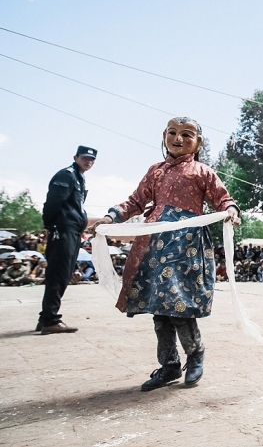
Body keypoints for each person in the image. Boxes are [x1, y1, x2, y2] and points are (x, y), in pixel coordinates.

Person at [87, 118, 240, 391]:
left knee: (179, 305)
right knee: (159, 309)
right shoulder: (155, 172)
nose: (178, 138)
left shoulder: (203, 172)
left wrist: (231, 211)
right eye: (172, 133)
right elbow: (135, 201)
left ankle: (195, 355)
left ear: (198, 142)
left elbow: (223, 198)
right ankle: (169, 366)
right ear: (164, 135)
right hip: (154, 245)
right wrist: (111, 217)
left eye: (186, 134)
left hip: (186, 245)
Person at [37, 145, 97, 334]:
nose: (88, 162)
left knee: (64, 272)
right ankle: (50, 320)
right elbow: (53, 202)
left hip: (72, 230)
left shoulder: (79, 178)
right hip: (63, 229)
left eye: (92, 160)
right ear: (75, 157)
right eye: (85, 158)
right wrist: (50, 225)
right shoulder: (67, 175)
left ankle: (45, 317)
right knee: (58, 274)